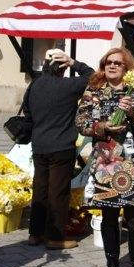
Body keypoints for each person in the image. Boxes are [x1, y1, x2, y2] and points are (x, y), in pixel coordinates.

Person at [75, 47, 134, 267]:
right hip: (105, 161)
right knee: (108, 216)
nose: (112, 66)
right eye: (108, 62)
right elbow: (80, 122)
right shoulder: (94, 90)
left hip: (130, 162)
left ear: (126, 67)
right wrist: (102, 126)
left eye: (118, 63)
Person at [24, 48, 94, 249]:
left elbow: (27, 112)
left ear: (45, 66)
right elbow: (93, 76)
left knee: (40, 189)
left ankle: (35, 234)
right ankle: (55, 237)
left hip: (39, 144)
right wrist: (74, 62)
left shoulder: (35, 85)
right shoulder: (68, 85)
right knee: (58, 192)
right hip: (61, 145)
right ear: (62, 68)